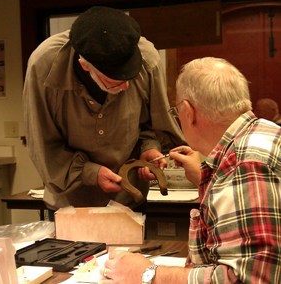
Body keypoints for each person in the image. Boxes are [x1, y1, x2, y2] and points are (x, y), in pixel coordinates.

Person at [102, 57, 281, 283]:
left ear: (188, 112)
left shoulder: (246, 167)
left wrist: (149, 274)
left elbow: (250, 279)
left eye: (177, 113)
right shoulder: (264, 135)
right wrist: (207, 178)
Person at [23, 6, 185, 217]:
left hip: (129, 201)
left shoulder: (147, 60)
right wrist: (90, 173)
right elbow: (43, 146)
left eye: (130, 78)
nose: (126, 87)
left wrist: (149, 148)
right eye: (115, 82)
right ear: (85, 66)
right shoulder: (44, 67)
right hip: (69, 206)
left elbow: (151, 124)